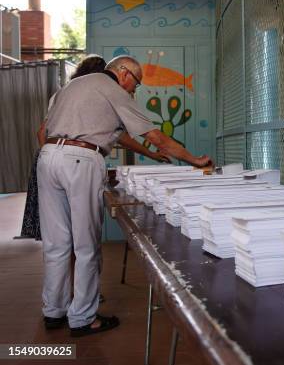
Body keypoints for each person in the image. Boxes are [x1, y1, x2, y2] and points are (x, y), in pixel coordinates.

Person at [38, 55, 212, 337]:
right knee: (86, 245)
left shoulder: (73, 86)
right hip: (81, 159)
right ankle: (82, 318)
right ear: (123, 73)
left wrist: (150, 156)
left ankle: (53, 312)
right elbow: (154, 135)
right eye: (136, 84)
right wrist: (194, 160)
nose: (134, 91)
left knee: (56, 242)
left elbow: (50, 131)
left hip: (48, 157)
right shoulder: (112, 88)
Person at [20, 55, 168, 241]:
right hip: (75, 161)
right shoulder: (104, 89)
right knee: (83, 237)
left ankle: (67, 269)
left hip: (47, 159)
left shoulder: (65, 91)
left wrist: (53, 156)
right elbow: (140, 135)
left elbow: (43, 132)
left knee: (57, 238)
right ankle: (76, 268)